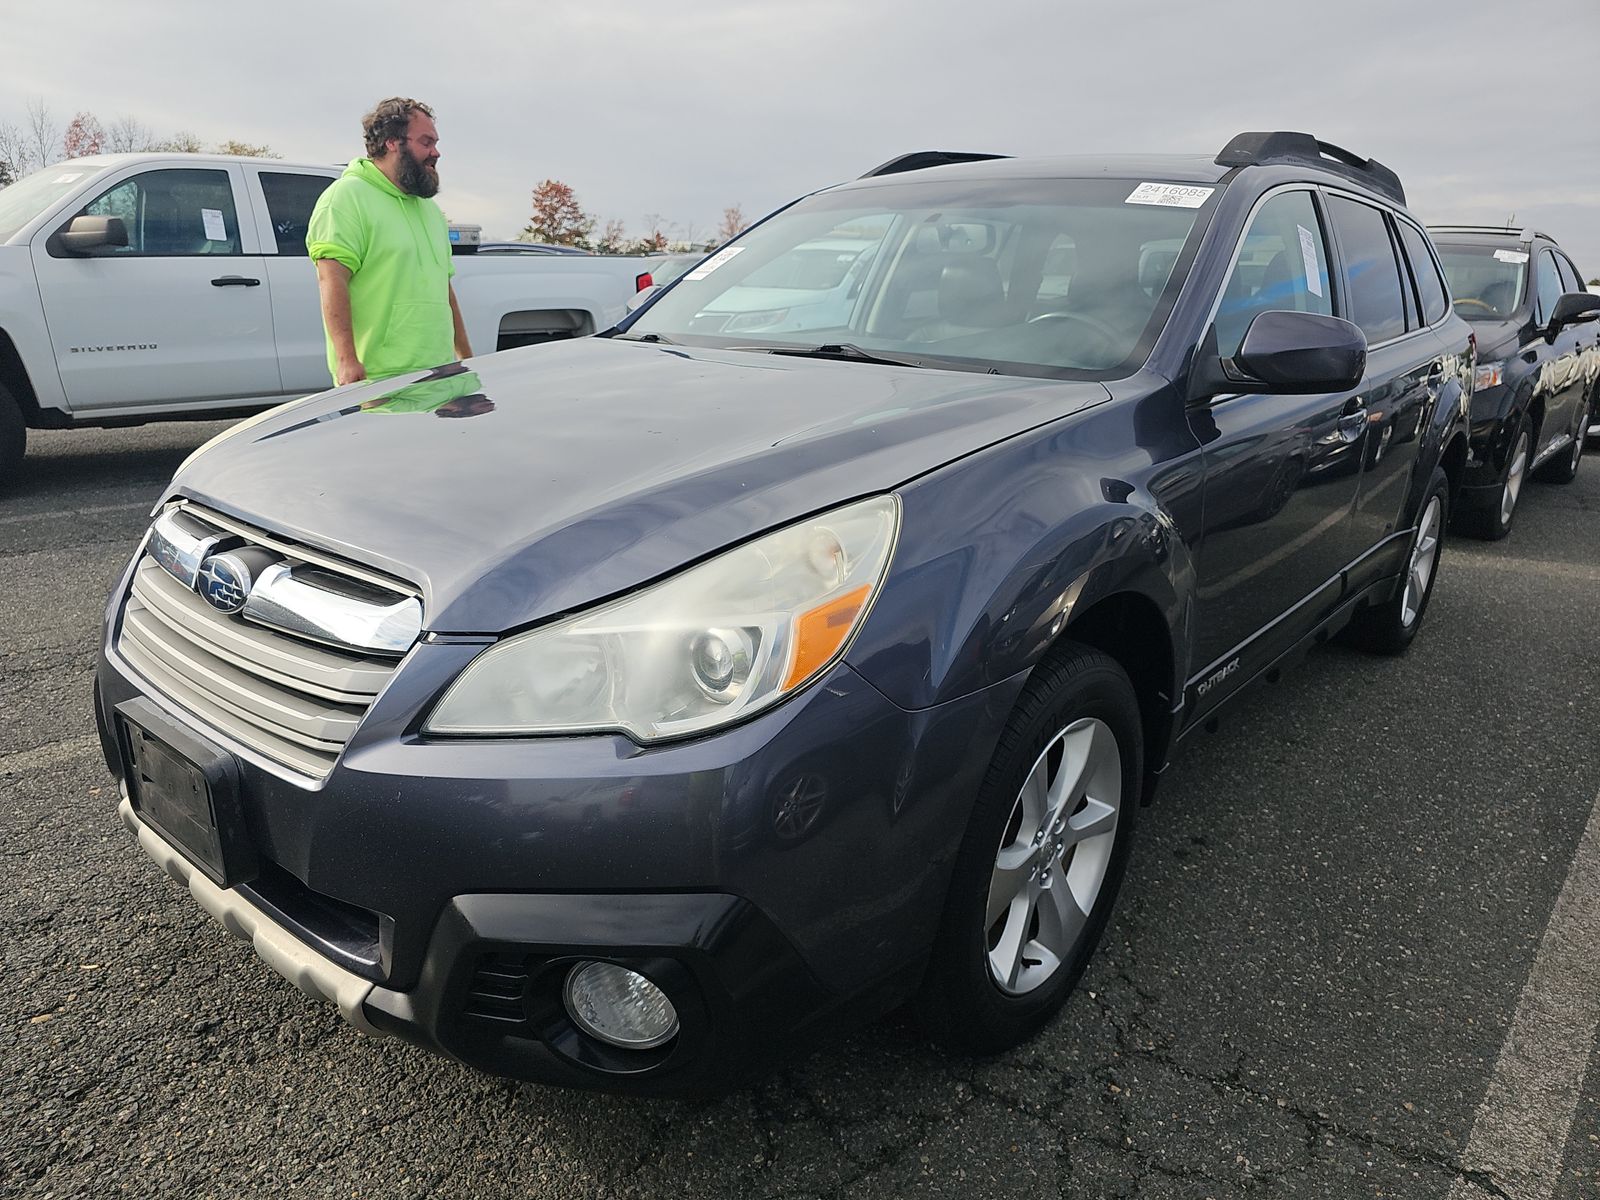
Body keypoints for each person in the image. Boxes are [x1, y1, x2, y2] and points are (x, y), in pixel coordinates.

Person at [306, 97, 473, 386]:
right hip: (378, 381)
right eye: (426, 142)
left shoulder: (430, 211)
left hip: (440, 374)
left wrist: (466, 357)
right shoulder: (346, 198)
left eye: (435, 143)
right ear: (392, 142)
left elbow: (444, 289)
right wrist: (347, 361)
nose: (436, 153)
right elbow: (331, 280)